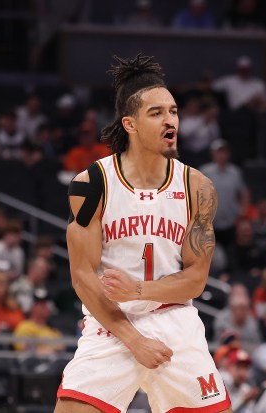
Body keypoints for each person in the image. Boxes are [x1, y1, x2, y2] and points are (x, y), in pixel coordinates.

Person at [55, 54, 232, 413]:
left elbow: (195, 281)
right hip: (112, 321)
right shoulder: (93, 183)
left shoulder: (198, 187)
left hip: (175, 320)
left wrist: (139, 290)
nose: (171, 120)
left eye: (174, 111)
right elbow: (81, 276)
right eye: (157, 113)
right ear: (130, 124)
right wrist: (135, 340)